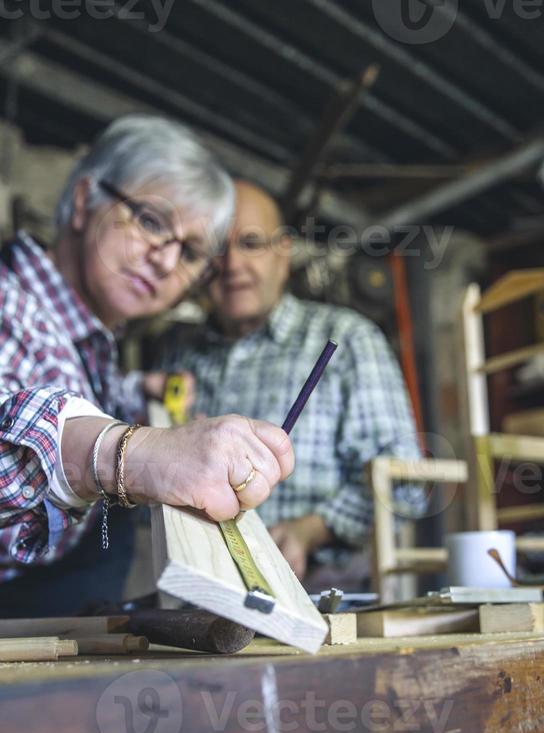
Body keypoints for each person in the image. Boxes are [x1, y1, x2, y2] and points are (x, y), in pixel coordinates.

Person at [0, 117, 293, 616]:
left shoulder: (88, 338)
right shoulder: (9, 305)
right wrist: (140, 454)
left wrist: (140, 391)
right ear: (82, 200)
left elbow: (61, 378)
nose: (164, 261)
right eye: (152, 222)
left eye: (191, 251)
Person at [157, 180, 423, 587]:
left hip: (326, 590)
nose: (231, 265)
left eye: (250, 243)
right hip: (202, 591)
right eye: (216, 247)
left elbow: (405, 482)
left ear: (283, 252)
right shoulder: (175, 353)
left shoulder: (346, 339)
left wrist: (309, 531)